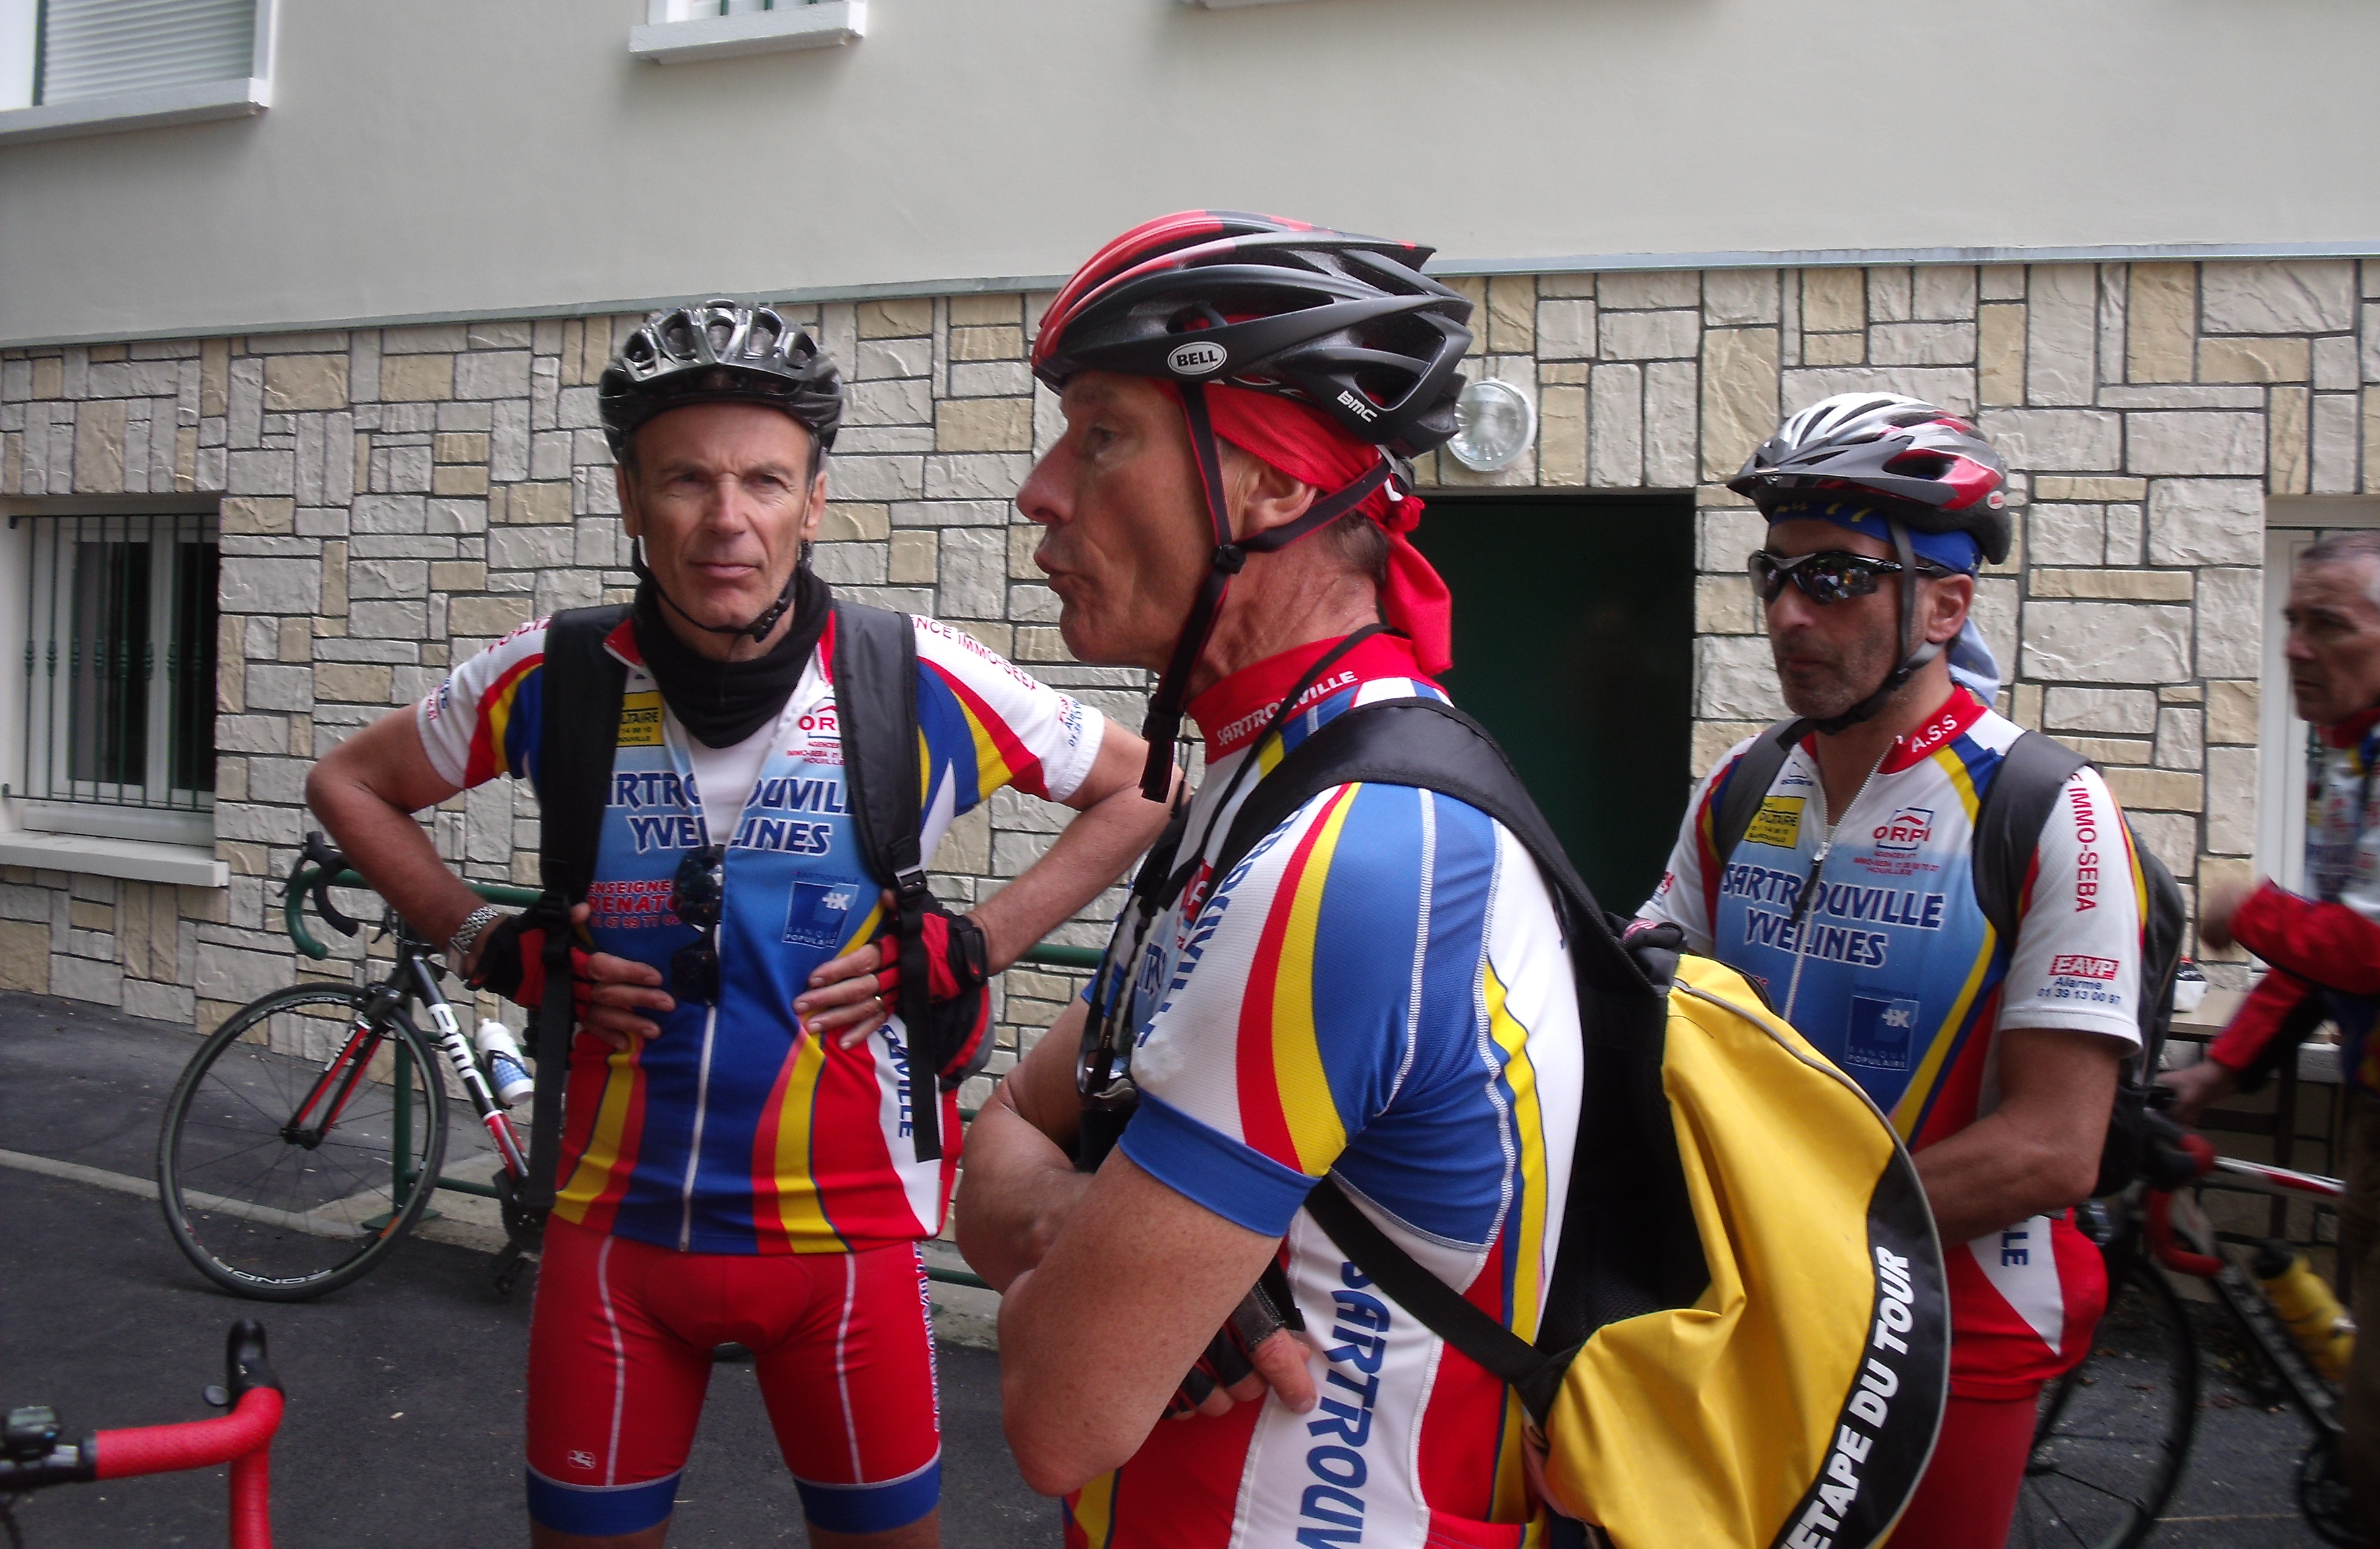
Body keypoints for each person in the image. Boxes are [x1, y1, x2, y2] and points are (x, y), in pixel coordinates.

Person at [305, 301, 1168, 1549]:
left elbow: (1148, 786)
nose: (727, 519)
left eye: (764, 480)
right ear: (629, 498)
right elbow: (349, 781)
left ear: (813, 502)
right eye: (686, 480)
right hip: (613, 1236)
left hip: (848, 1244)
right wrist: (480, 937)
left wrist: (981, 941)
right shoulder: (556, 674)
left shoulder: (909, 674)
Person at [951, 211, 1583, 1547]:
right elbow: (1004, 1131)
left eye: (1101, 434)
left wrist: (1083, 1260)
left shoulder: (1355, 851)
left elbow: (1057, 1408)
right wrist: (1087, 1227)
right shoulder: (1256, 784)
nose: (1041, 492)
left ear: (1276, 485)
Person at [1630, 391, 2144, 1549]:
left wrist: (1799, 1231)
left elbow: (2053, 1146)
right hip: (1748, 1307)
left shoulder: (2047, 808)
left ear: (1946, 604)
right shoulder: (1744, 786)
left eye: (1837, 578)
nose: (1789, 614)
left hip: (1953, 1333)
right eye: (1775, 575)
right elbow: (1649, 994)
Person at [2160, 529, 2380, 1549]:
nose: (2295, 645)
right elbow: (2320, 959)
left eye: (2328, 625)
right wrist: (2220, 1072)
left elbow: (2378, 946)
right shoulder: (2360, 758)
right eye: (2292, 620)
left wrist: (2249, 907)